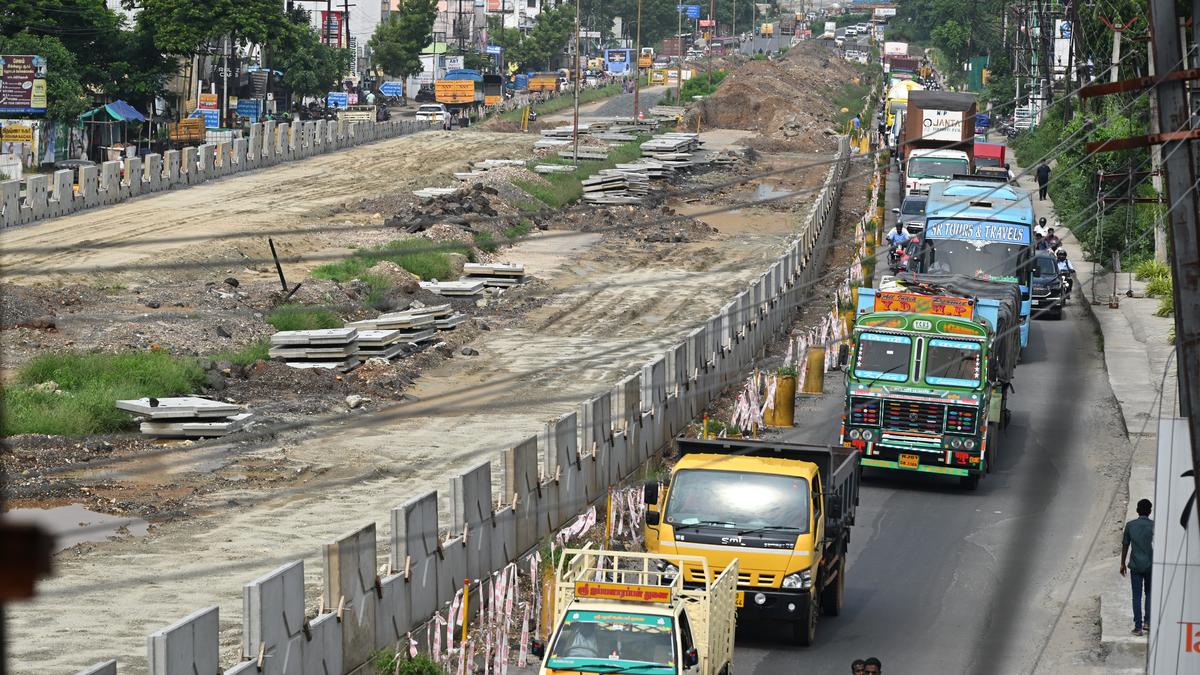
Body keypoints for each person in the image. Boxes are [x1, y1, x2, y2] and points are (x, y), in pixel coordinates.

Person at [1121, 499, 1154, 636]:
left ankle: (1138, 627)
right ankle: (1148, 622)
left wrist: (1122, 563)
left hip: (1135, 565)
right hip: (1151, 565)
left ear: (1137, 510)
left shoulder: (1130, 525)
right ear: (1150, 511)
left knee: (1136, 596)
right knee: (1149, 594)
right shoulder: (1154, 526)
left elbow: (1125, 545)